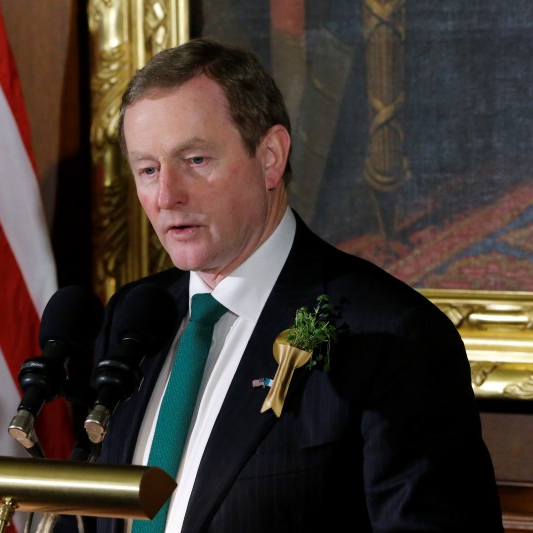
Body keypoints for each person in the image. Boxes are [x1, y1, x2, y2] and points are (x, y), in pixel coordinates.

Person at [89, 38, 503, 532]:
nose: (167, 195)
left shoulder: (394, 337)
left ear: (270, 157)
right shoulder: (135, 316)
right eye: (148, 170)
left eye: (195, 160)